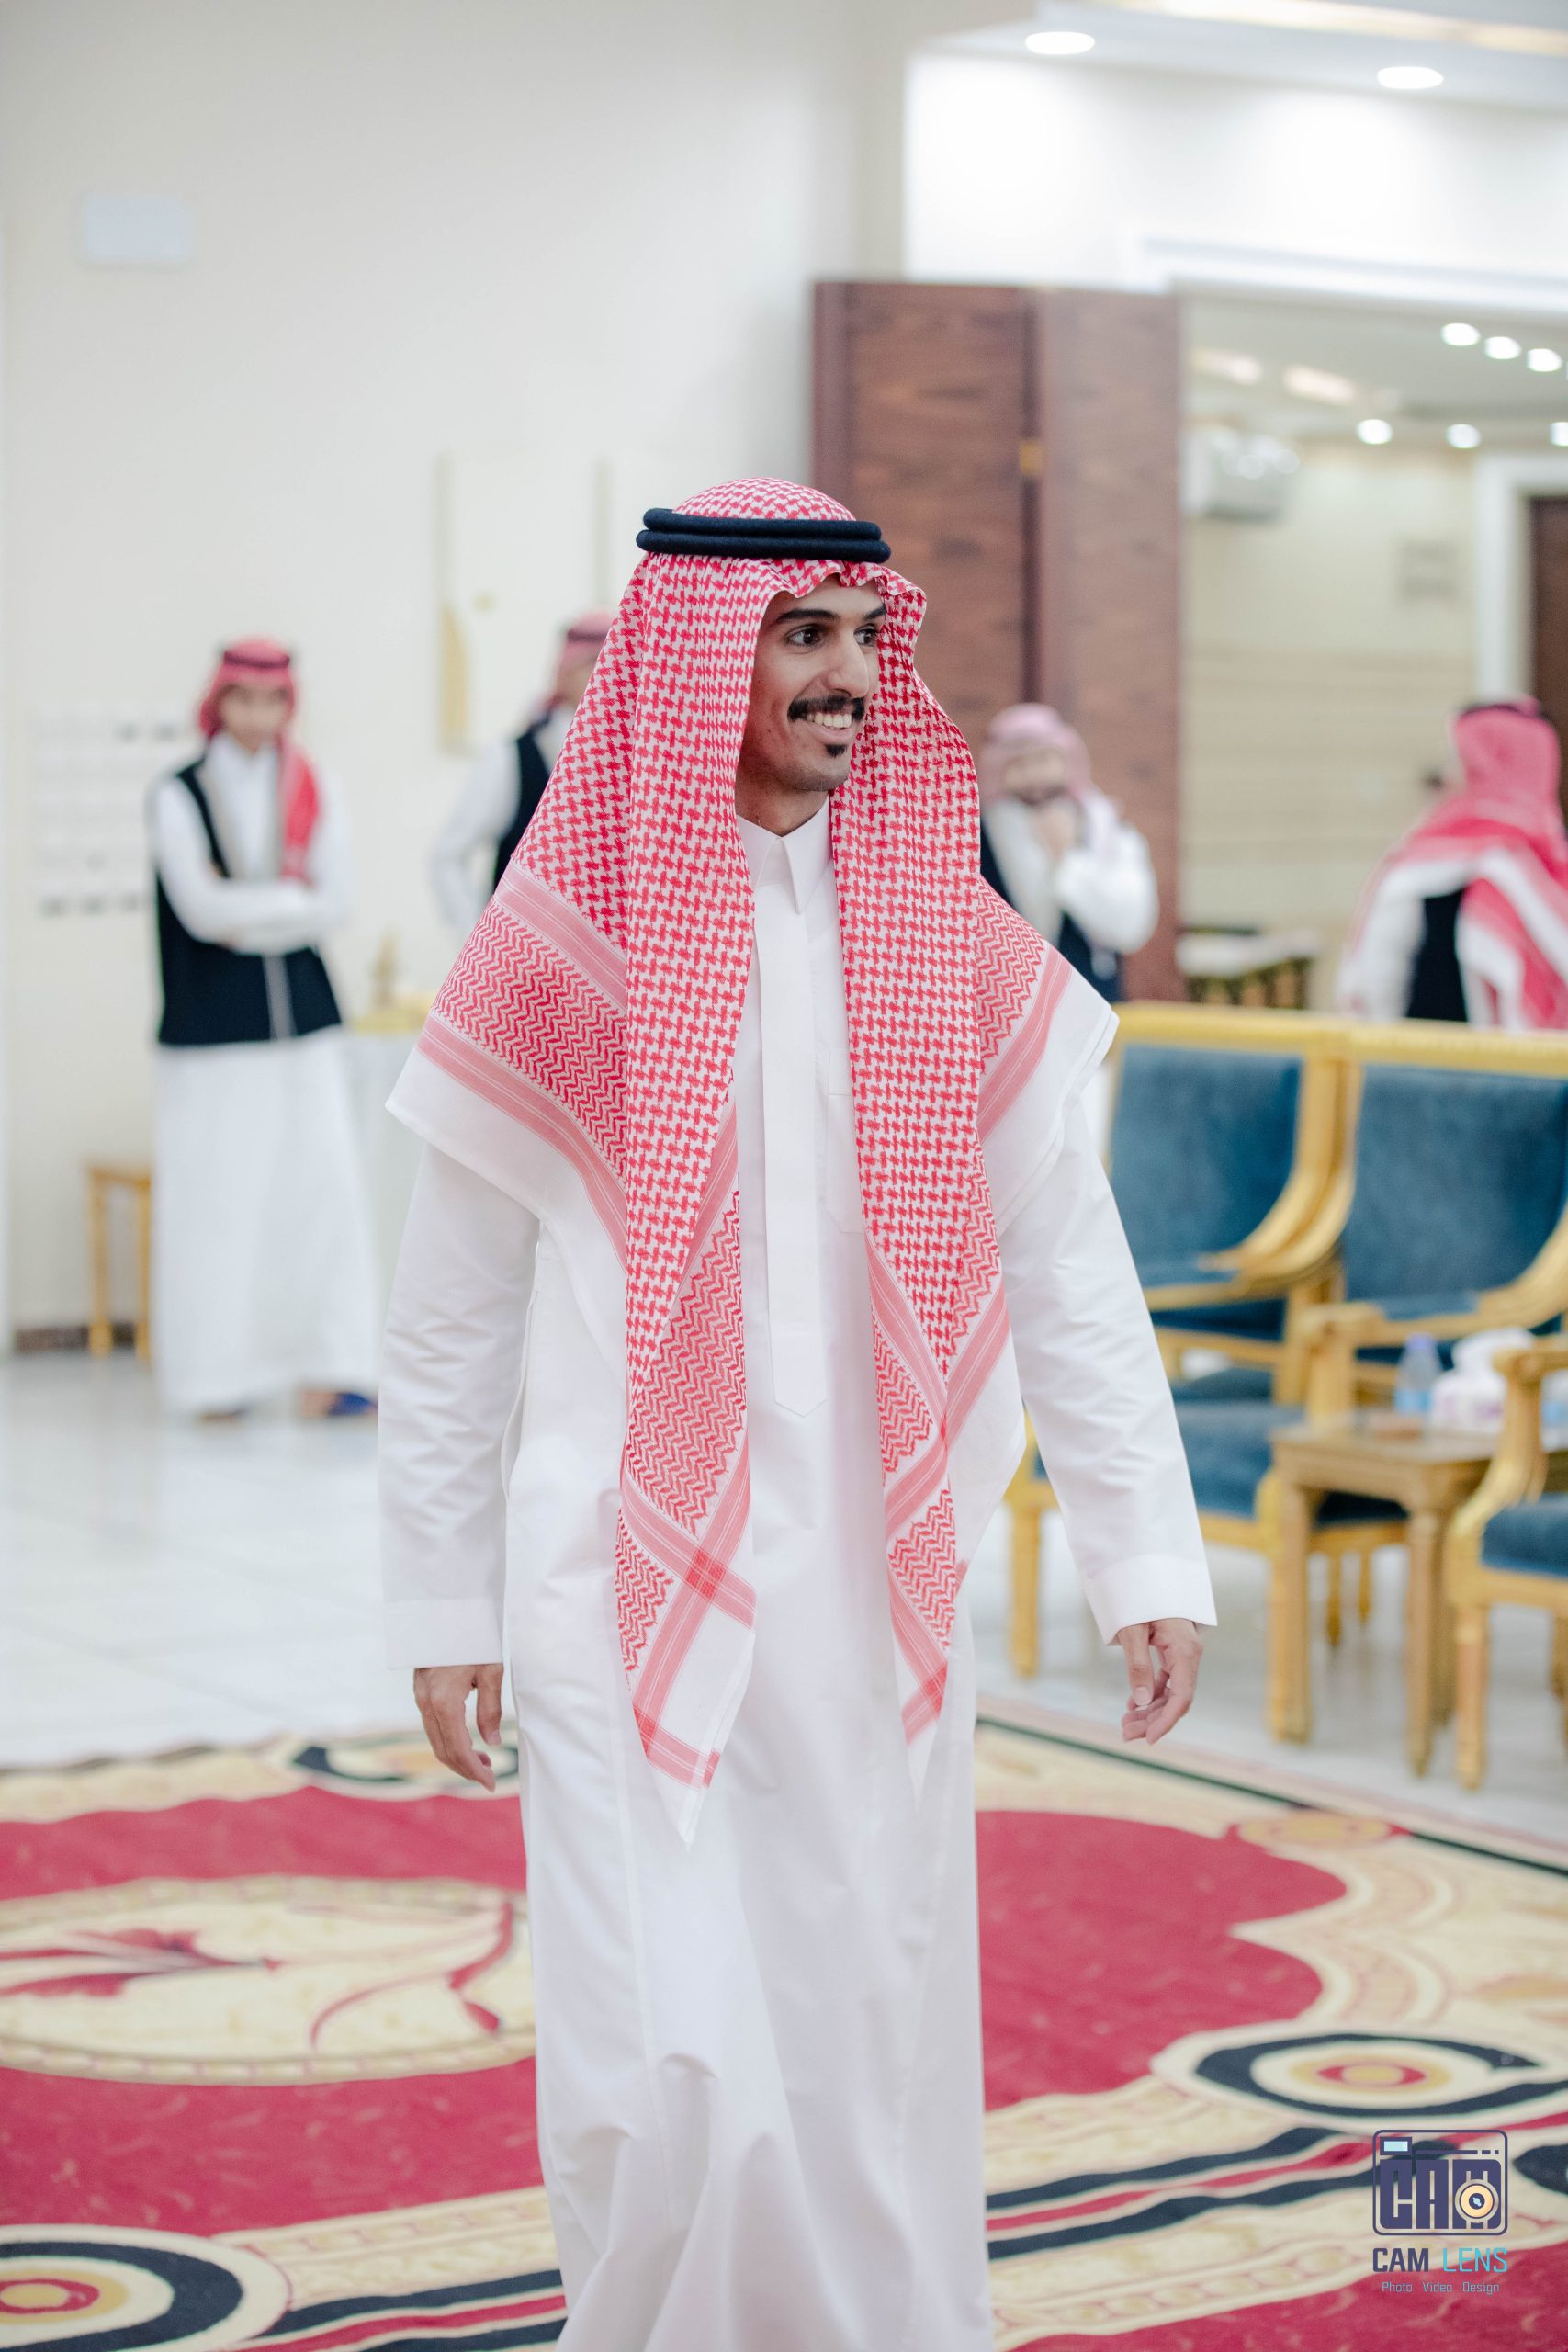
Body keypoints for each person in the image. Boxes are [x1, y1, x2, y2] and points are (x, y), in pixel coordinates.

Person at [378, 481, 1214, 2350]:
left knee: (857, 2034)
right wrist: (440, 1597)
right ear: (694, 660)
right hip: (614, 1577)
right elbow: (448, 1316)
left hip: (867, 1582)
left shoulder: (941, 934)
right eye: (800, 635)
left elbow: (1067, 1262)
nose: (847, 676)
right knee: (657, 2058)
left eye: (862, 636)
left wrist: (1140, 1552)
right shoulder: (561, 949)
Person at [150, 639, 378, 1417]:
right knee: (220, 1202)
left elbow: (336, 902)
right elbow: (200, 911)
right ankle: (217, 1379)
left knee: (323, 1193)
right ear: (219, 702)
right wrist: (289, 902)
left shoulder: (314, 785)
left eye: (272, 700)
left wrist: (249, 911)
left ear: (289, 705)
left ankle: (335, 1369)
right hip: (212, 1035)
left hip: (308, 1028)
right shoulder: (178, 793)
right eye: (243, 699)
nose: (258, 715)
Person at [1338, 697, 1568, 1027]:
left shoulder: (1423, 867)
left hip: (1428, 1053)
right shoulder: (1553, 867)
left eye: (1455, 760)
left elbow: (1379, 988)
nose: (1445, 775)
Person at [428, 608, 612, 934]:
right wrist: (481, 939)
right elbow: (448, 857)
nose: (611, 677)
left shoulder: (644, 761)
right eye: (596, 663)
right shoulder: (511, 757)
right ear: (567, 671)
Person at [977, 701, 1158, 1001]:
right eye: (1020, 764)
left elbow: (1130, 927)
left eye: (1044, 760)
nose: (1035, 774)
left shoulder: (1104, 828)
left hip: (1093, 1002)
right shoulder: (976, 837)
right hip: (1008, 1005)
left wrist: (1067, 859)